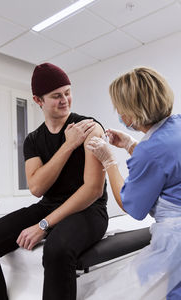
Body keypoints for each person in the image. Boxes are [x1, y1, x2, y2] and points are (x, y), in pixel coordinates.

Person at [0, 63, 108, 300]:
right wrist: (69, 145)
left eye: (68, 92)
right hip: (49, 206)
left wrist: (43, 225)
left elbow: (92, 190)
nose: (65, 100)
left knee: (56, 250)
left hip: (89, 210)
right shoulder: (33, 140)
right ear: (38, 101)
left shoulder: (90, 128)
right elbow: (37, 187)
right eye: (56, 96)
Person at [86, 67, 181, 300]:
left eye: (118, 107)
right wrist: (130, 145)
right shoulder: (177, 125)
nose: (117, 112)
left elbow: (132, 207)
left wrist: (109, 161)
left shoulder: (150, 152)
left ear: (132, 111)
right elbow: (166, 166)